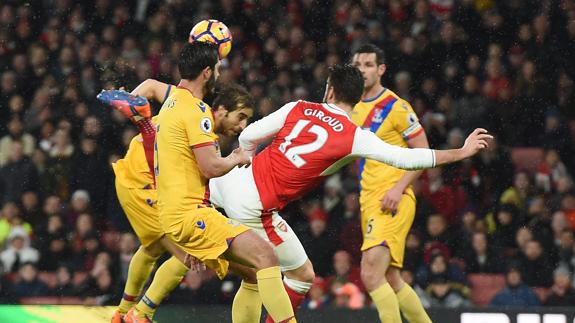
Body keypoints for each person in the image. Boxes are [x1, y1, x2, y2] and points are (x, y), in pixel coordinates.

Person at [115, 63, 491, 323]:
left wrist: (251, 160)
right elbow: (407, 159)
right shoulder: (355, 135)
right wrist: (461, 151)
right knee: (300, 275)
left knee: (245, 272)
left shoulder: (300, 107)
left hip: (228, 182)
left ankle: (140, 309)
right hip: (255, 203)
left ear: (328, 90)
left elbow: (247, 135)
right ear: (358, 100)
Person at [133, 41, 296, 323]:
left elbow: (148, 87)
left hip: (178, 214)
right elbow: (209, 167)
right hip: (189, 215)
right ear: (207, 72)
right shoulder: (196, 112)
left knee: (253, 273)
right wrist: (235, 157)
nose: (219, 74)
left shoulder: (172, 102)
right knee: (267, 256)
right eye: (218, 68)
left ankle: (142, 313)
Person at [99, 58, 259, 322]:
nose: (242, 127)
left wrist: (136, 107)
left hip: (135, 175)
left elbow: (151, 86)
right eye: (241, 117)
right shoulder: (199, 121)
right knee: (187, 253)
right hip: (145, 181)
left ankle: (124, 313)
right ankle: (140, 314)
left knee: (153, 249)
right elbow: (206, 172)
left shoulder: (185, 106)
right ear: (220, 109)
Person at [350, 43, 431, 323]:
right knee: (391, 277)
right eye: (357, 65)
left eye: (368, 65)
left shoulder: (396, 107)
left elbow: (423, 152)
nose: (362, 70)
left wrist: (398, 188)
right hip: (368, 200)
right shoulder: (352, 108)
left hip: (392, 199)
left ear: (381, 69)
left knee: (370, 273)